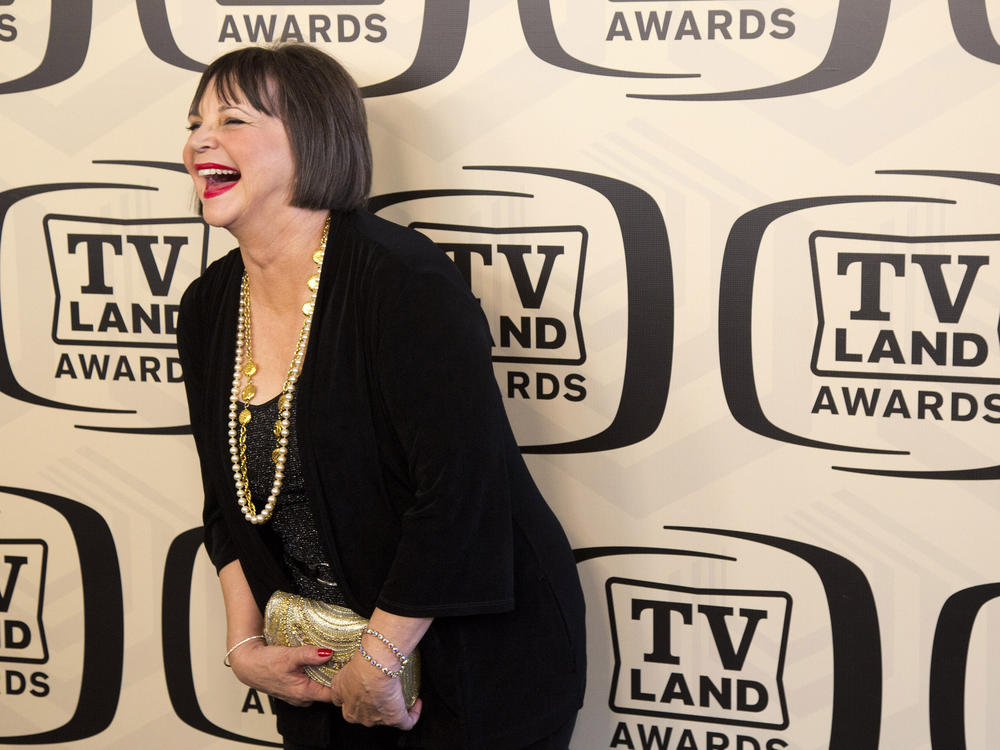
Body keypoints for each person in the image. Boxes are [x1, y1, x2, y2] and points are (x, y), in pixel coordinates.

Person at [176, 43, 586, 749]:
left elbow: (461, 494)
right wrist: (244, 648)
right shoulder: (207, 307)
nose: (199, 141)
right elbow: (227, 502)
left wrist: (380, 660)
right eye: (194, 123)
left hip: (475, 672)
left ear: (314, 139)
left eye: (233, 120)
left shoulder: (402, 282)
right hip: (323, 673)